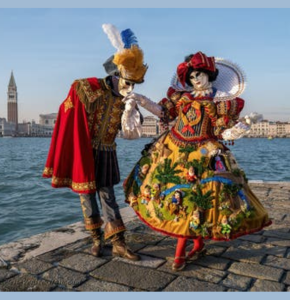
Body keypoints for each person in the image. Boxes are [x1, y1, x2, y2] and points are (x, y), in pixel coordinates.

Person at [124, 51, 271, 271]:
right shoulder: (181, 97)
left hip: (205, 154)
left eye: (199, 75)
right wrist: (141, 100)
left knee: (195, 201)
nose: (195, 80)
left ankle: (181, 253)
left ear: (209, 74)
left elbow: (224, 132)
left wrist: (244, 125)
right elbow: (163, 112)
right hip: (173, 149)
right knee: (178, 198)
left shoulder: (220, 103)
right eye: (192, 77)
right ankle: (197, 244)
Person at [42, 24, 148, 261]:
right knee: (86, 195)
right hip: (85, 152)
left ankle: (118, 242)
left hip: (107, 151)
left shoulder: (127, 100)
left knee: (107, 194)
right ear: (116, 74)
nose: (129, 88)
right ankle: (96, 240)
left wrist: (131, 110)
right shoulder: (90, 89)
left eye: (133, 84)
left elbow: (132, 133)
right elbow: (70, 106)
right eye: (127, 82)